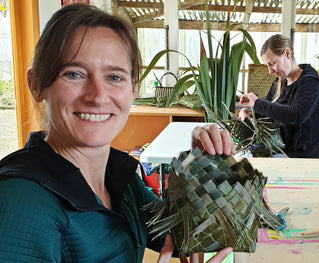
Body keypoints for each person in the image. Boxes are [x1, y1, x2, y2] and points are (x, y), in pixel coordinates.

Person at [0, 4, 234, 263]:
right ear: (36, 85)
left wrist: (201, 167)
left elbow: (190, 235)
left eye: (114, 77)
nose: (98, 96)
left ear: (133, 90)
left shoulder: (120, 179)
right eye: (74, 74)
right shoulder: (21, 204)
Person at [239, 34, 319, 158]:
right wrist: (251, 114)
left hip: (301, 157)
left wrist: (258, 103)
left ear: (287, 54)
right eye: (267, 65)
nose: (270, 71)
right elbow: (268, 113)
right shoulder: (279, 81)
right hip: (280, 149)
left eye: (272, 63)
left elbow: (295, 115)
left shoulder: (310, 82)